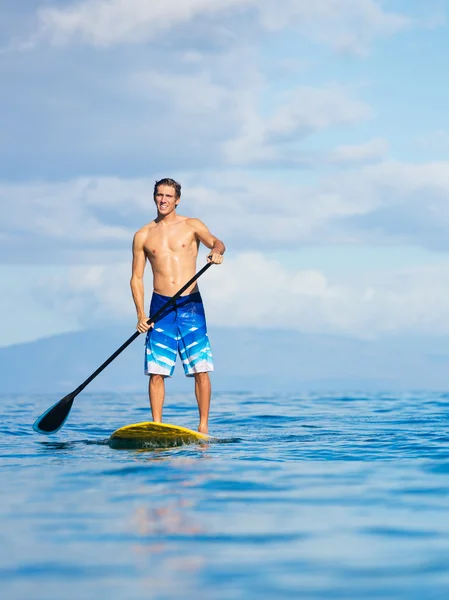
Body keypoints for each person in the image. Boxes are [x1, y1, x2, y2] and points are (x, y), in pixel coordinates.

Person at [130, 178, 225, 434]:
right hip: (160, 305)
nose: (163, 200)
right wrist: (140, 313)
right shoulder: (143, 235)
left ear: (177, 199)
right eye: (159, 195)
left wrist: (216, 252)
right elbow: (136, 278)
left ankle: (203, 427)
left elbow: (217, 242)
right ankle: (157, 426)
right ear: (154, 197)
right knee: (156, 371)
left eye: (168, 196)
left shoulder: (191, 225)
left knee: (200, 368)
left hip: (190, 303)